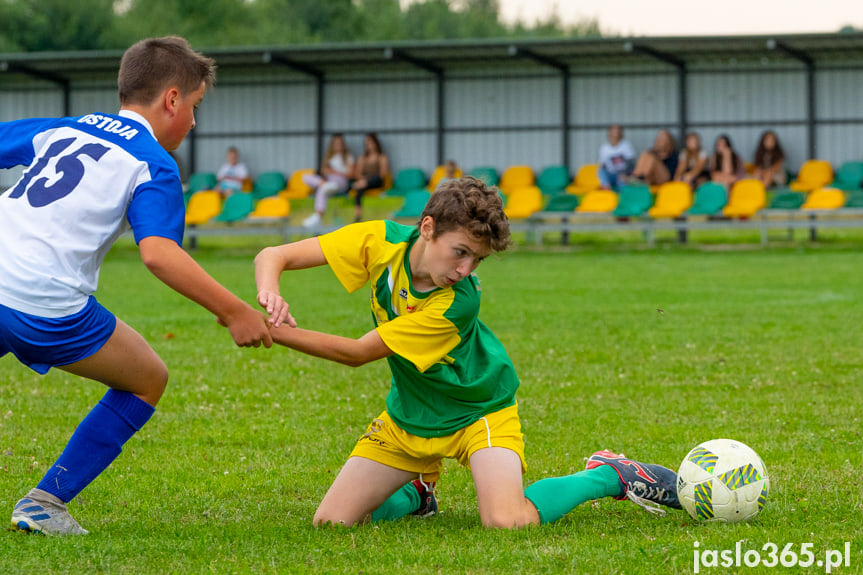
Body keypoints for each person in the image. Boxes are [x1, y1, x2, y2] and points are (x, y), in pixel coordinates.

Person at [254, 176, 682, 528]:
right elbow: (274, 255)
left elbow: (356, 353)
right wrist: (268, 295)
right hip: (411, 414)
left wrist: (265, 329)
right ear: (427, 228)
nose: (464, 271)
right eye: (461, 253)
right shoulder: (380, 241)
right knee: (331, 524)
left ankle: (607, 474)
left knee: (506, 522)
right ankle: (417, 491)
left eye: (476, 260)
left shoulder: (458, 301)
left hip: (478, 412)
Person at [2, 36, 280, 536]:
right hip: (44, 302)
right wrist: (236, 310)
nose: (193, 122)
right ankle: (46, 504)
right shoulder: (154, 162)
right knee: (147, 379)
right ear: (172, 99)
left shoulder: (64, 127)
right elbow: (159, 253)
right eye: (194, 106)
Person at [302, 134, 355, 227]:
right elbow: (322, 171)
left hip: (340, 181)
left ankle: (317, 216)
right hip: (328, 180)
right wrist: (326, 171)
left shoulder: (348, 157)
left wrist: (335, 172)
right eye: (336, 143)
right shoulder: (329, 157)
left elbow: (351, 174)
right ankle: (323, 184)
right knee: (305, 177)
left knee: (322, 189)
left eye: (340, 143)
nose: (338, 145)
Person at [351, 132, 389, 222]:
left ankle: (363, 183)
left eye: (370, 142)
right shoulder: (363, 158)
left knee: (374, 180)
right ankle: (358, 215)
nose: (369, 145)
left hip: (376, 181)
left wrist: (367, 180)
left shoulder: (381, 157)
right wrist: (364, 180)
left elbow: (383, 174)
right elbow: (358, 173)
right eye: (367, 143)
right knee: (359, 189)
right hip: (364, 182)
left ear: (376, 143)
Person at [597, 124, 636, 192]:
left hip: (623, 174)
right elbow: (603, 166)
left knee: (622, 181)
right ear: (609, 134)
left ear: (621, 134)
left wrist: (624, 174)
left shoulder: (626, 145)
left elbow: (631, 164)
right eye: (613, 132)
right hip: (611, 175)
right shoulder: (604, 148)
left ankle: (620, 194)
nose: (615, 134)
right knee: (600, 170)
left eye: (617, 132)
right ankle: (606, 188)